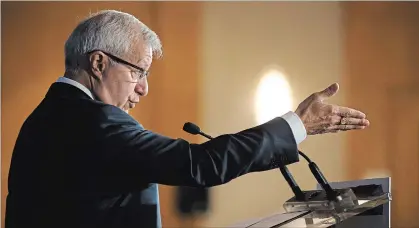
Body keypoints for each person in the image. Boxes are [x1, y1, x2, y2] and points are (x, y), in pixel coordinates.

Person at [5, 10, 370, 228]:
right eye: (138, 72)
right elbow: (198, 164)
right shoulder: (92, 121)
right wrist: (297, 124)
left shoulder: (44, 119)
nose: (143, 89)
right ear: (99, 63)